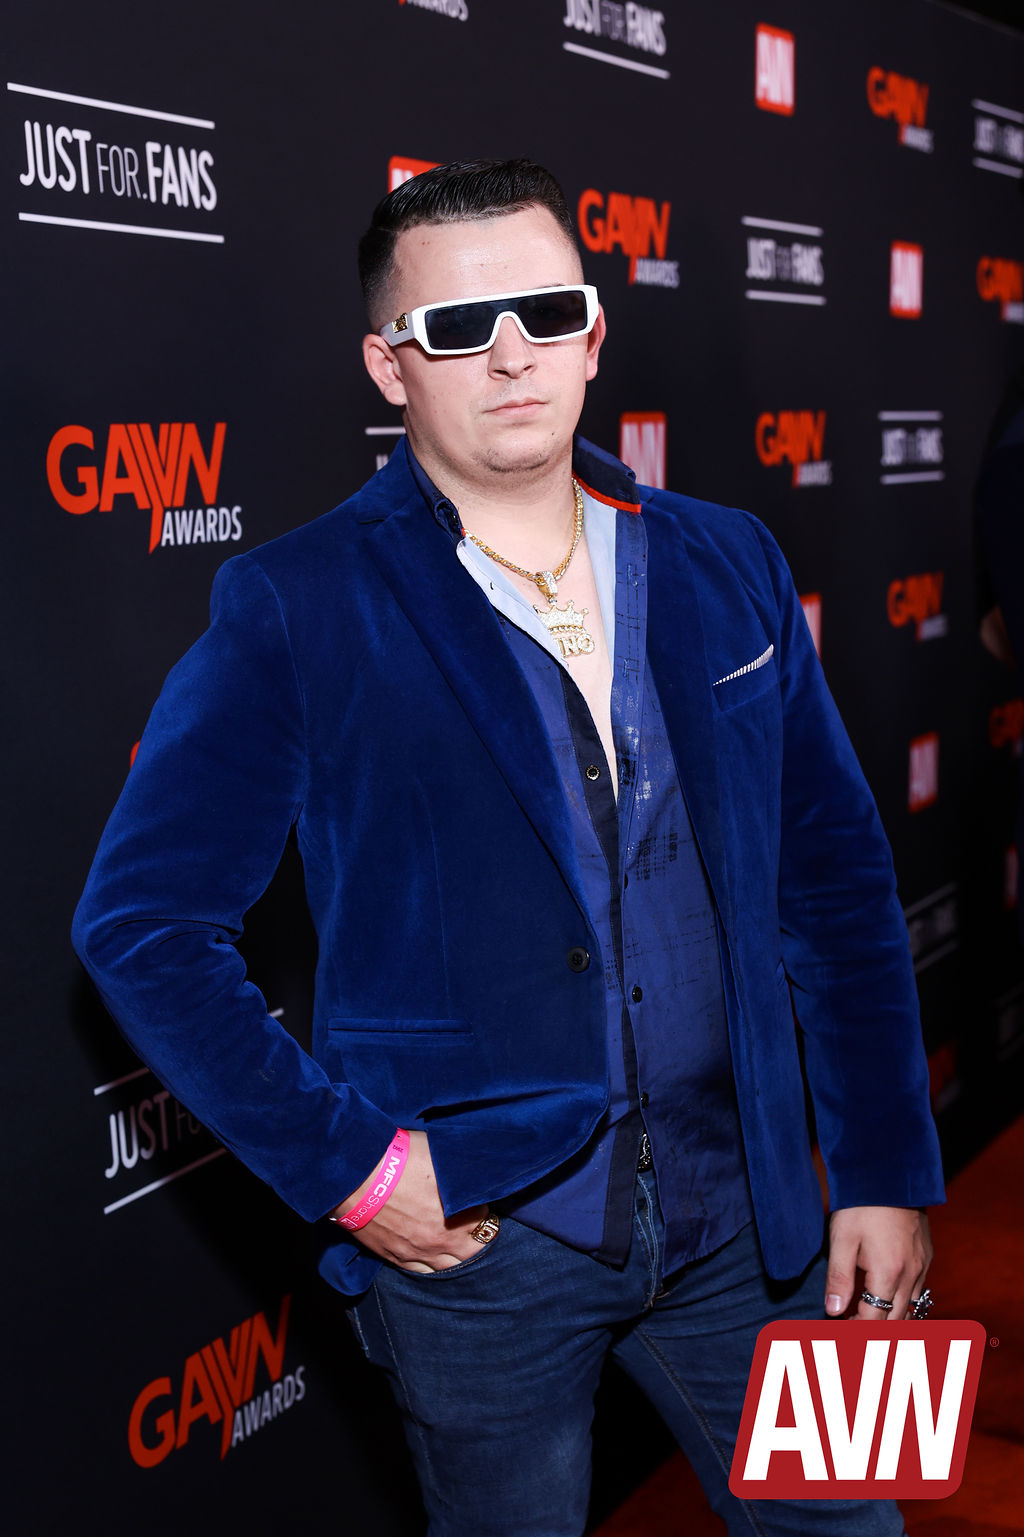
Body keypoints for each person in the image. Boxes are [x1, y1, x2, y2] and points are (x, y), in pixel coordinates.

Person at [74, 159, 944, 1536]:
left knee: (852, 1528)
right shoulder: (298, 602)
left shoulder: (731, 560)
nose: (510, 354)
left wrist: (884, 1165)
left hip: (754, 1221)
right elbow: (143, 925)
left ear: (593, 333)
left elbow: (834, 886)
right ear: (389, 365)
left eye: (543, 312)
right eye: (457, 328)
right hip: (483, 1257)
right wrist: (359, 1173)